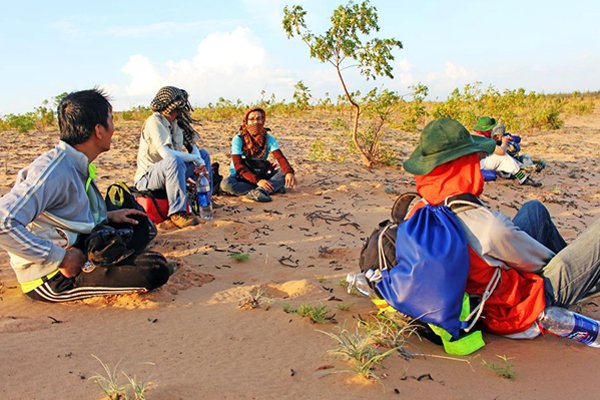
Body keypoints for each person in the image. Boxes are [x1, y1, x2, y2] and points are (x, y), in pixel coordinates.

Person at [402, 118, 600, 338]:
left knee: (534, 210)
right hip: (516, 310)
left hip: (478, 296)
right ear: (463, 165)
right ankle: (586, 280)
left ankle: (586, 275)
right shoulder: (484, 225)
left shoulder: (418, 208)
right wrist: (575, 264)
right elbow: (538, 261)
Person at [0, 89, 171, 302]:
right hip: (52, 275)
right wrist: (60, 258)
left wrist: (108, 216)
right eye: (111, 120)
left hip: (79, 242)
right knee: (154, 269)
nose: (114, 129)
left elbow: (66, 212)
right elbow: (3, 222)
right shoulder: (51, 171)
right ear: (98, 130)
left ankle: (101, 261)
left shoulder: (76, 162)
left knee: (140, 224)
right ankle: (91, 269)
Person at [134, 86, 211, 228]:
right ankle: (178, 212)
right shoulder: (154, 121)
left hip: (172, 171)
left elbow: (192, 145)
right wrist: (194, 159)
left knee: (204, 154)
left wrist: (200, 162)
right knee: (174, 160)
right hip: (148, 177)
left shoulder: (176, 123)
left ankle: (205, 201)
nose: (180, 110)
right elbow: (166, 154)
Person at [221, 108, 296, 202]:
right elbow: (238, 165)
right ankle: (267, 189)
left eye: (258, 119)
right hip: (242, 176)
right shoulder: (239, 139)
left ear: (263, 120)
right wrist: (258, 181)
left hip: (261, 172)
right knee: (226, 184)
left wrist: (289, 172)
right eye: (251, 119)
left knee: (285, 172)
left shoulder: (268, 138)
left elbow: (280, 157)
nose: (255, 122)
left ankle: (260, 191)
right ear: (246, 122)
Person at [473, 116, 541, 187]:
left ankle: (521, 176)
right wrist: (504, 142)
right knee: (504, 157)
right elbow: (501, 151)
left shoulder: (475, 136)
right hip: (479, 164)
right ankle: (522, 178)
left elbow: (517, 138)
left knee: (504, 159)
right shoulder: (484, 140)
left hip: (475, 163)